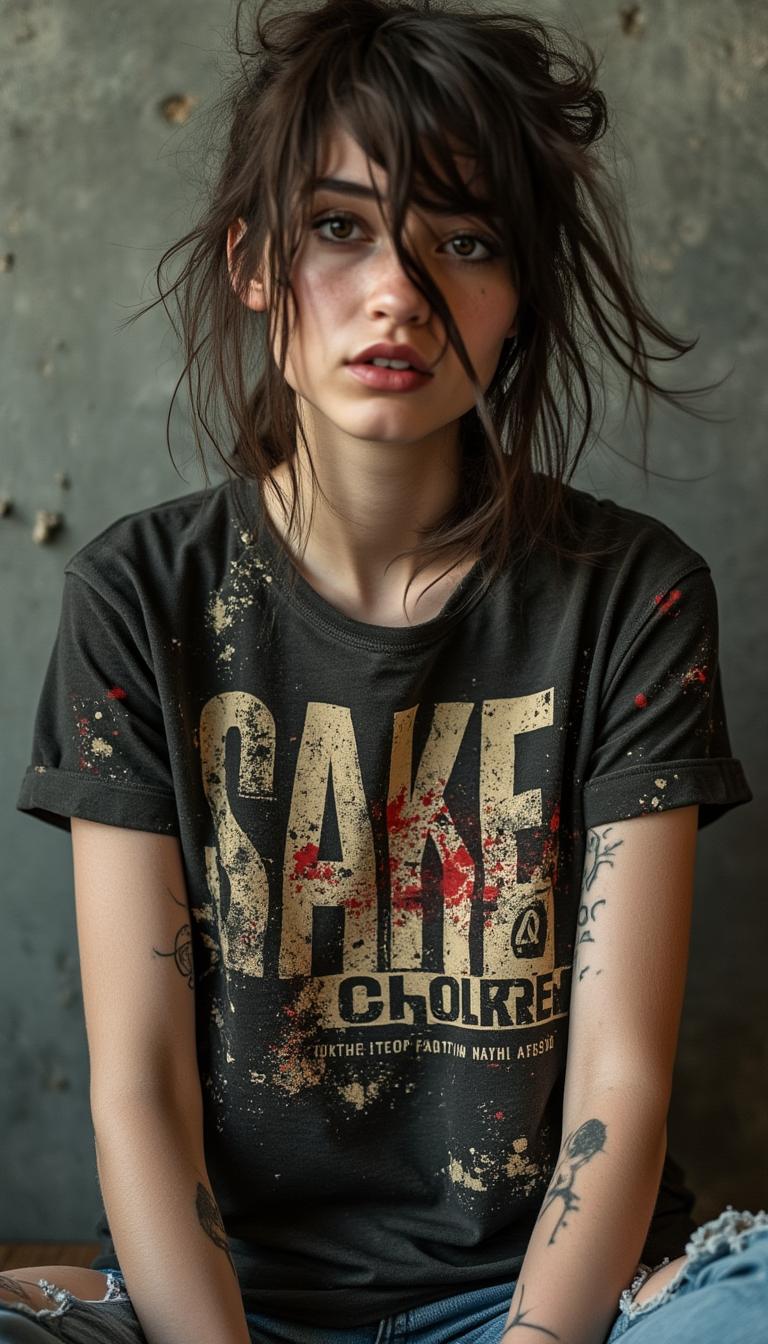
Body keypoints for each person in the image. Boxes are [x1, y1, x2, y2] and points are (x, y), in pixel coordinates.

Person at [5, 1, 766, 1342]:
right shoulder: (141, 598)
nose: (400, 294)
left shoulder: (628, 597)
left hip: (544, 1302)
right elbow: (140, 1089)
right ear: (254, 261)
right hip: (225, 1306)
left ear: (520, 290)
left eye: (463, 242)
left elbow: (619, 1085)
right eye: (340, 227)